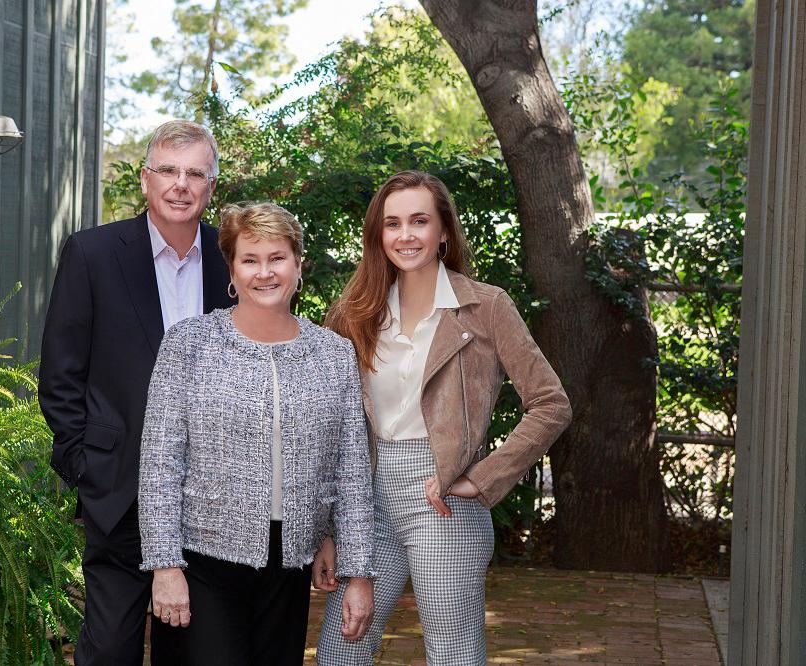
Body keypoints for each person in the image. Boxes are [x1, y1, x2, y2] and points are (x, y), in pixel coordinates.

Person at [316, 171, 572, 665]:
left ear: (443, 232)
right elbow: (331, 424)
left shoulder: (485, 306)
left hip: (442, 502)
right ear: (378, 235)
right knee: (340, 650)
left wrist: (483, 477)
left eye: (419, 221)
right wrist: (329, 526)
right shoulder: (354, 312)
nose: (405, 235)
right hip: (364, 497)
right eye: (392, 224)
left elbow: (550, 403)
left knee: (453, 652)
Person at [138, 202, 377, 665]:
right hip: (200, 562)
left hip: (289, 566)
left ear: (297, 264)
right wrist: (165, 566)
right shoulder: (189, 345)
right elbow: (160, 464)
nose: (264, 272)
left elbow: (349, 470)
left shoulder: (333, 354)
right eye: (250, 259)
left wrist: (357, 572)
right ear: (231, 268)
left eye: (277, 258)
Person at [38, 120, 233, 664]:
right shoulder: (92, 254)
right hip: (118, 489)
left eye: (196, 173)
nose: (181, 184)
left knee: (193, 650)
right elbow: (60, 375)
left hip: (210, 499)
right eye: (168, 170)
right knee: (108, 651)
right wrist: (84, 465)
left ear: (211, 187)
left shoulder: (232, 259)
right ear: (145, 181)